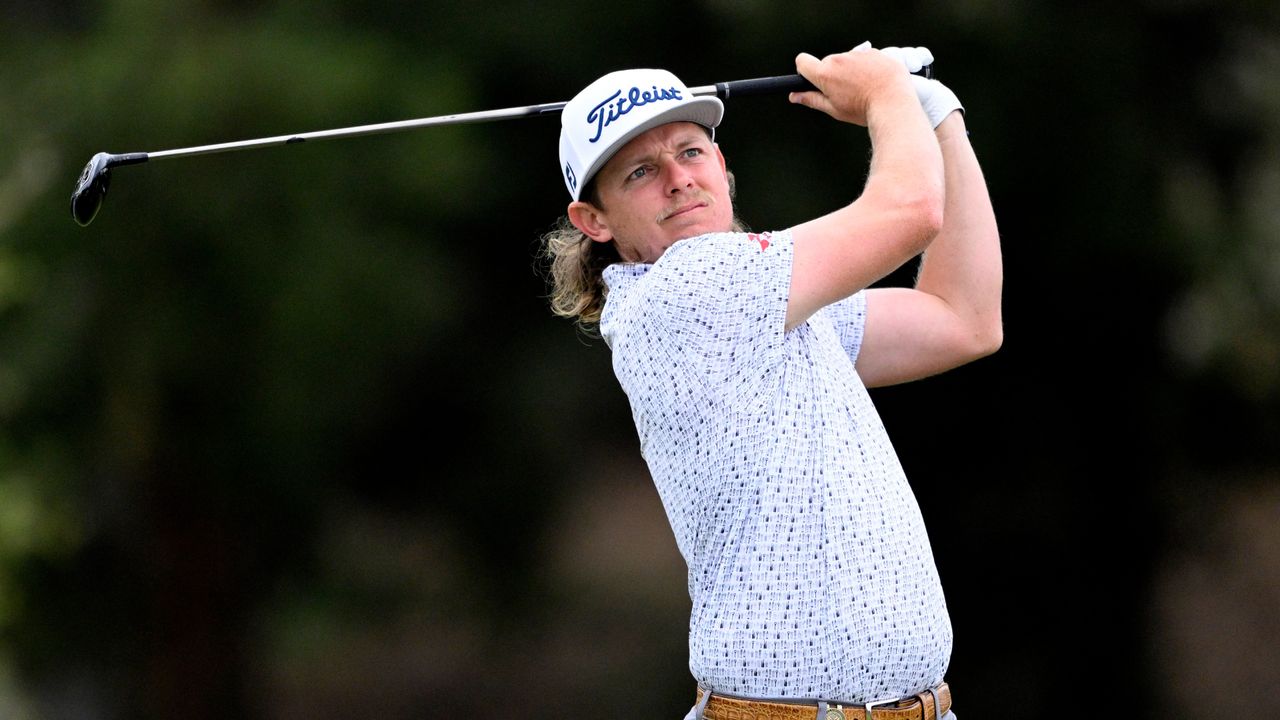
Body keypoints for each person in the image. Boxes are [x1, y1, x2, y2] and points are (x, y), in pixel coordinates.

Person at [539, 41, 1001, 720]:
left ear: (723, 169)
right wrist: (886, 96)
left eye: (691, 151)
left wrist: (939, 118)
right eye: (641, 170)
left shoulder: (772, 301)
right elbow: (911, 214)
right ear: (595, 221)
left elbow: (965, 318)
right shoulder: (688, 291)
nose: (678, 178)